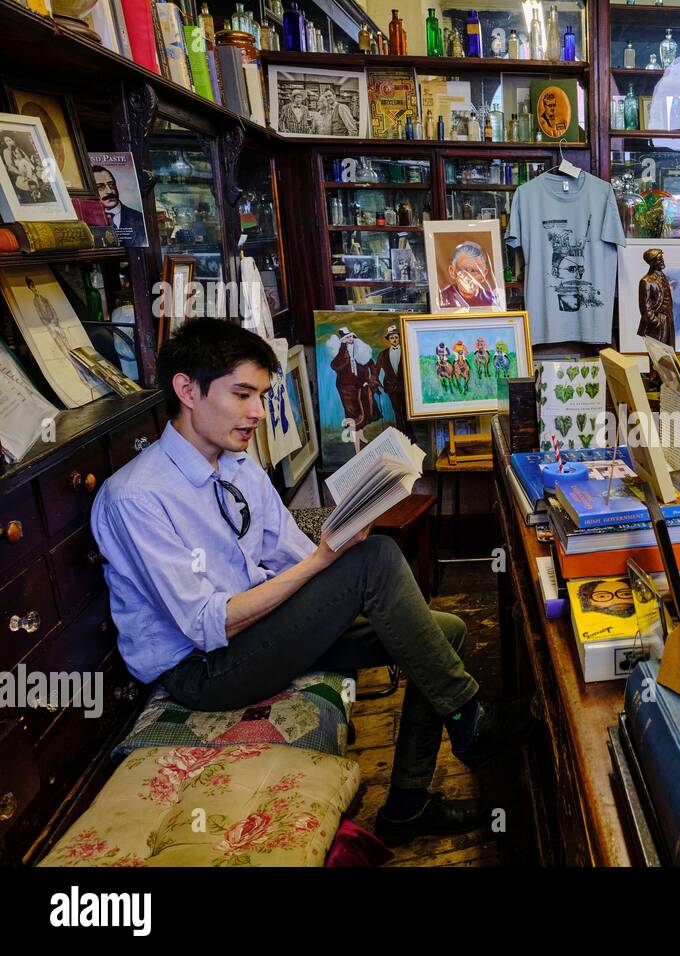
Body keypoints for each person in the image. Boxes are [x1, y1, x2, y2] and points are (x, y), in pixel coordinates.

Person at [90, 320, 534, 845]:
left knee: (446, 630)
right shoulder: (137, 497)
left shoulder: (238, 466)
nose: (257, 411)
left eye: (260, 395)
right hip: (206, 669)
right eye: (242, 394)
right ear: (187, 390)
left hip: (261, 634)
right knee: (377, 559)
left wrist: (338, 539)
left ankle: (409, 805)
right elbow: (207, 622)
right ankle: (469, 722)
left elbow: (293, 553)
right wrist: (330, 562)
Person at [93, 164, 146, 241]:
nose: (109, 191)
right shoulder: (87, 220)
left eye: (111, 185)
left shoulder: (139, 218)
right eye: (100, 187)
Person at [438, 241, 497, 309]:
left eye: (474, 271)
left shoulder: (491, 301)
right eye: (463, 271)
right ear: (452, 272)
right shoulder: (442, 300)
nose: (469, 277)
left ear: (484, 274)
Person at [376, 323, 406, 425]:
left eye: (396, 337)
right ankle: (401, 433)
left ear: (399, 338)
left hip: (405, 387)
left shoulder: (406, 351)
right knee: (397, 411)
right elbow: (376, 371)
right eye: (392, 337)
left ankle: (409, 436)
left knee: (406, 412)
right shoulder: (383, 354)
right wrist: (376, 383)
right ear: (388, 339)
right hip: (391, 387)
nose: (394, 339)